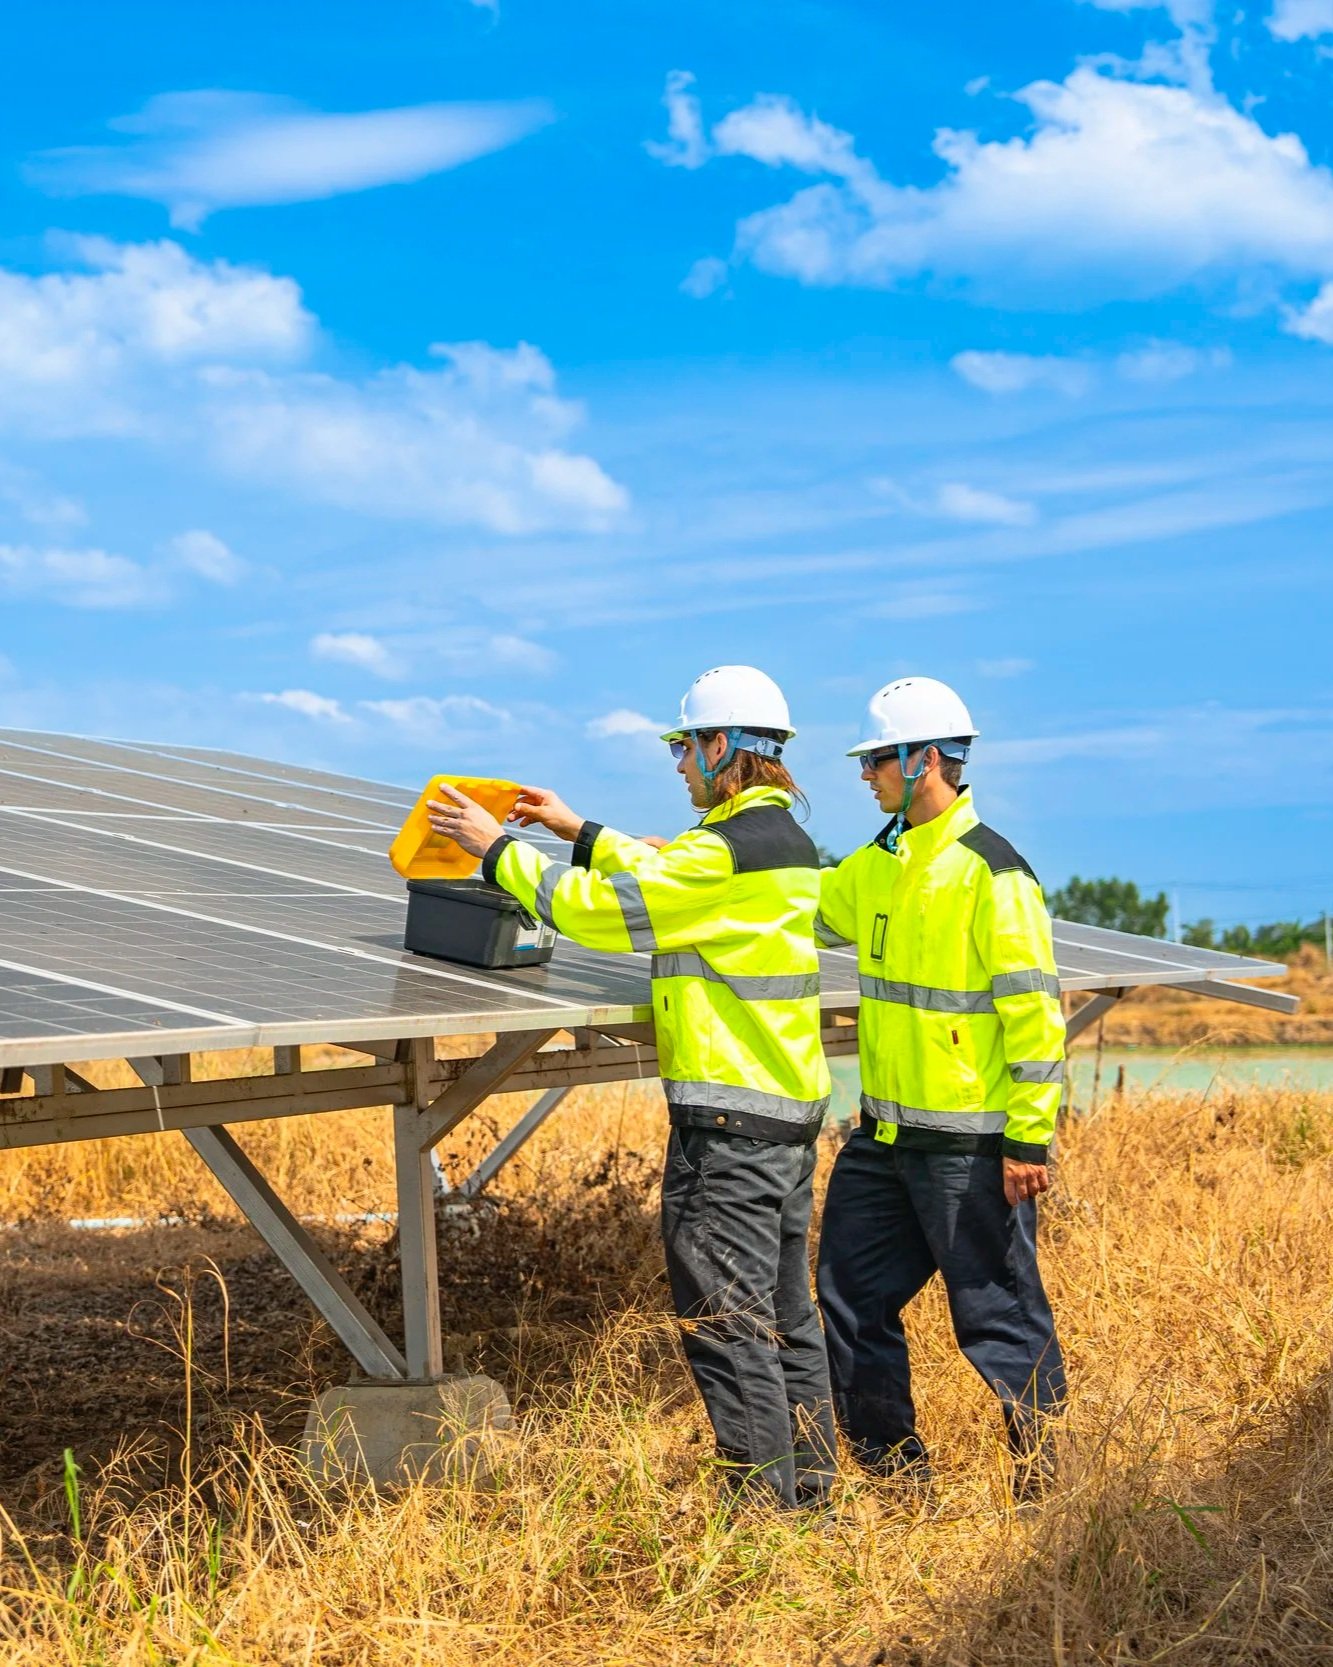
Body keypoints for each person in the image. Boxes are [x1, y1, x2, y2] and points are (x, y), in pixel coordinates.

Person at [427, 666, 837, 1511]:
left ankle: (763, 1515)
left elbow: (600, 910)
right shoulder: (781, 846)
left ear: (720, 745)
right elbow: (666, 871)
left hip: (729, 1121)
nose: (678, 764)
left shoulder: (721, 851)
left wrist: (496, 848)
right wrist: (576, 827)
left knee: (727, 1326)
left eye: (684, 746)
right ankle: (812, 1498)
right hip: (784, 1117)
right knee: (785, 1319)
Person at [814, 676, 1066, 1498]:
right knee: (848, 1300)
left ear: (923, 759)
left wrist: (1028, 1137)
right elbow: (806, 903)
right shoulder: (878, 864)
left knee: (996, 1319)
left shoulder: (993, 873)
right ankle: (895, 1482)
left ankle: (1049, 1492)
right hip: (883, 1141)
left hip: (968, 1146)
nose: (865, 776)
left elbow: (1033, 1016)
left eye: (876, 760)